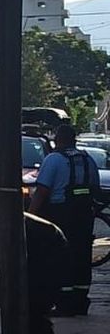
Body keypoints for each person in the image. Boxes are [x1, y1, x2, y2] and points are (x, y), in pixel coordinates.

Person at [30, 123, 100, 316]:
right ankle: (80, 300)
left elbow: (42, 191)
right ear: (74, 139)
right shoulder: (87, 159)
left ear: (57, 139)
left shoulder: (54, 160)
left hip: (61, 215)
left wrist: (30, 217)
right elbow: (95, 188)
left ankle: (64, 302)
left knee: (60, 257)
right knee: (82, 255)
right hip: (84, 215)